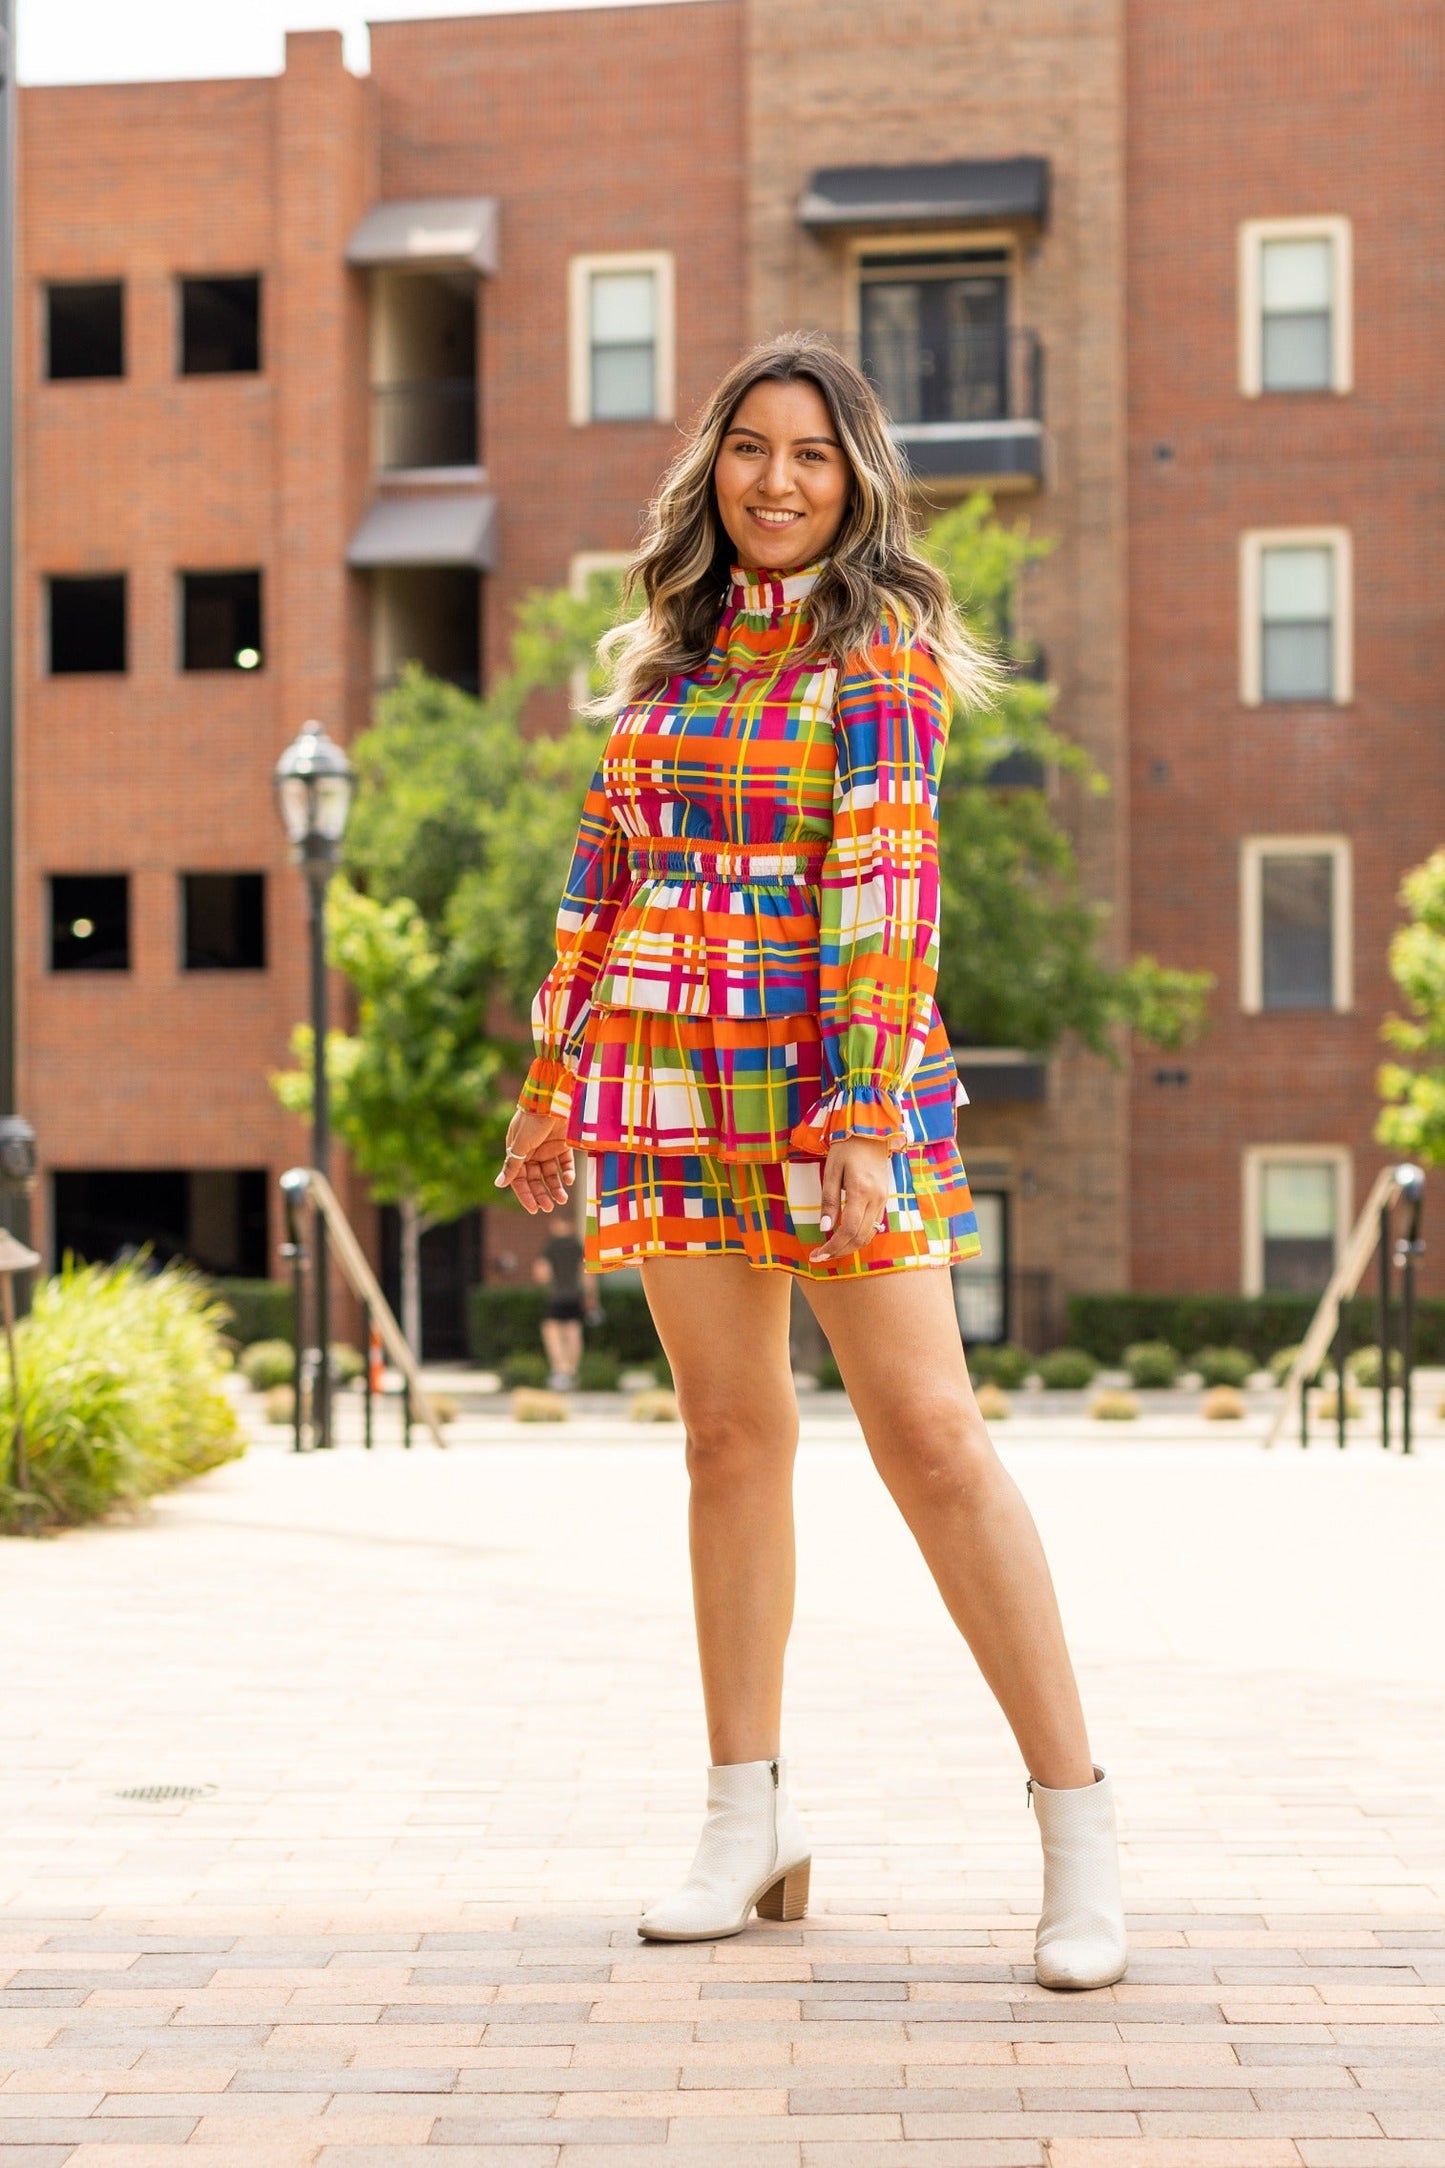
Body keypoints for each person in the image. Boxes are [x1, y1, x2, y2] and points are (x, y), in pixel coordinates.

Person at [495, 332, 1127, 1989]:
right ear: (712, 465)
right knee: (727, 1437)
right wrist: (553, 1076)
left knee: (931, 1438)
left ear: (854, 483)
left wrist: (857, 1108)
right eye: (751, 448)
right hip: (666, 1073)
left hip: (829, 1071)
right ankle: (745, 1817)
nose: (776, 481)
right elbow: (601, 877)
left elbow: (887, 886)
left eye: (813, 455)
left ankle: (1079, 1833)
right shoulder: (661, 662)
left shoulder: (882, 650)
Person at [532, 1223, 585, 1390]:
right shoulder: (576, 1246)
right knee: (573, 1329)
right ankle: (572, 1370)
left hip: (556, 1296)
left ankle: (560, 1369)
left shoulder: (551, 1246)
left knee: (551, 1329)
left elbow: (542, 1273)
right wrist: (591, 1295)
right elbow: (586, 1272)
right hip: (574, 1295)